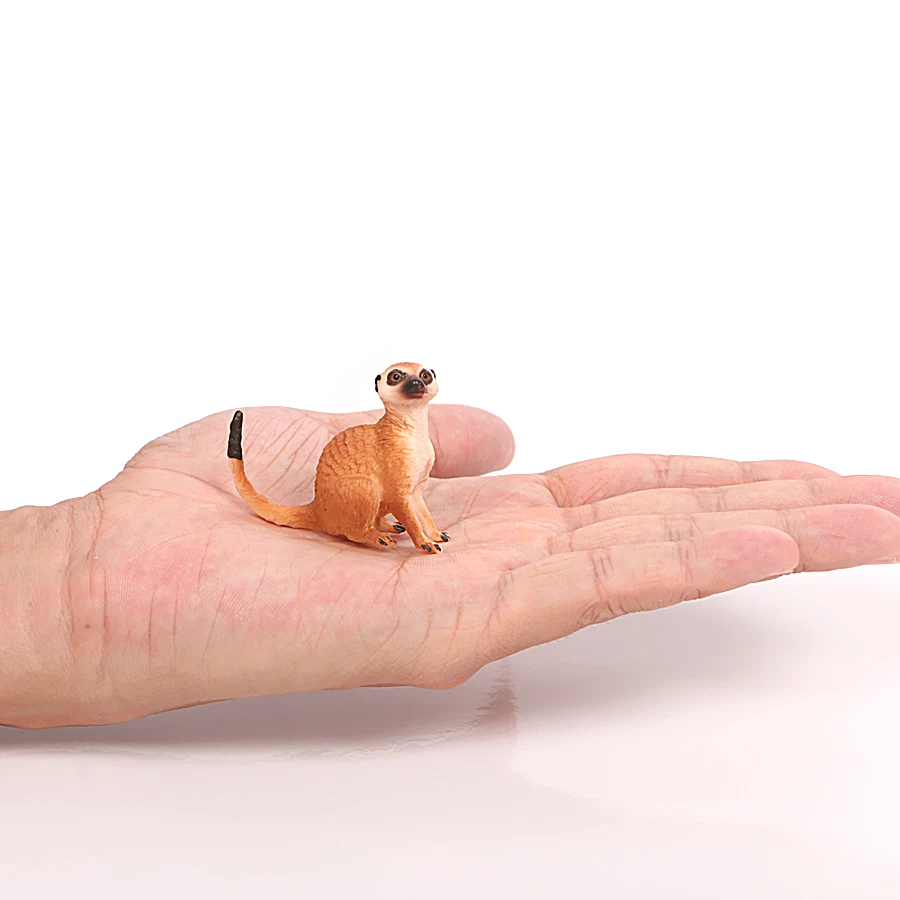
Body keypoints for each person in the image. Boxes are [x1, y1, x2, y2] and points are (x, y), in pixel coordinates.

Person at [2, 403, 899, 729]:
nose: (417, 391)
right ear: (384, 394)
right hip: (354, 509)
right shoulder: (395, 442)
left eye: (423, 380)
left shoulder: (414, 434)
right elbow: (402, 494)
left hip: (369, 498)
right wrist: (66, 587)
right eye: (402, 383)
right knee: (387, 503)